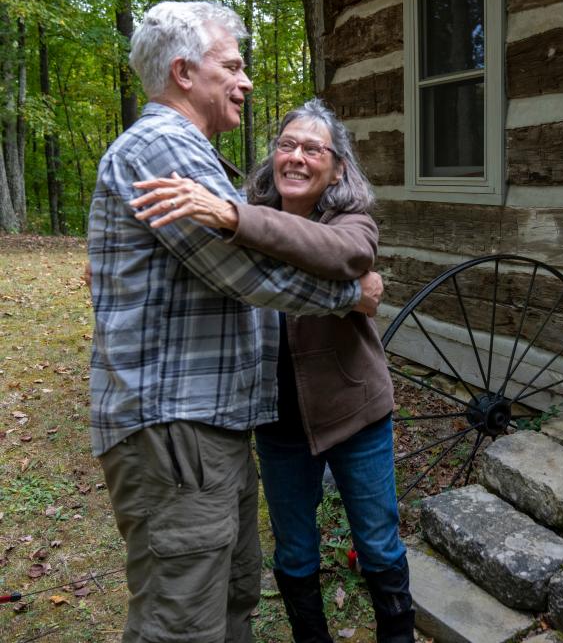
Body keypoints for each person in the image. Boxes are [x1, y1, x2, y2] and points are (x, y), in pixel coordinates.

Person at [88, 2, 383, 643]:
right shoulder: (165, 146)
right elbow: (247, 273)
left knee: (230, 592)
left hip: (206, 427)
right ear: (184, 71)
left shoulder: (192, 153)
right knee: (184, 618)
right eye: (234, 65)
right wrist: (353, 295)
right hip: (175, 424)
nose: (246, 81)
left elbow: (260, 251)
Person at [129, 99, 414, 643]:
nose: (297, 158)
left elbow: (344, 256)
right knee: (295, 549)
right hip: (276, 420)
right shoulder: (242, 217)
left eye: (313, 149)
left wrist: (236, 217)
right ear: (272, 157)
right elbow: (189, 255)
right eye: (287, 145)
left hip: (356, 411)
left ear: (337, 168)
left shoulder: (349, 221)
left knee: (377, 541)